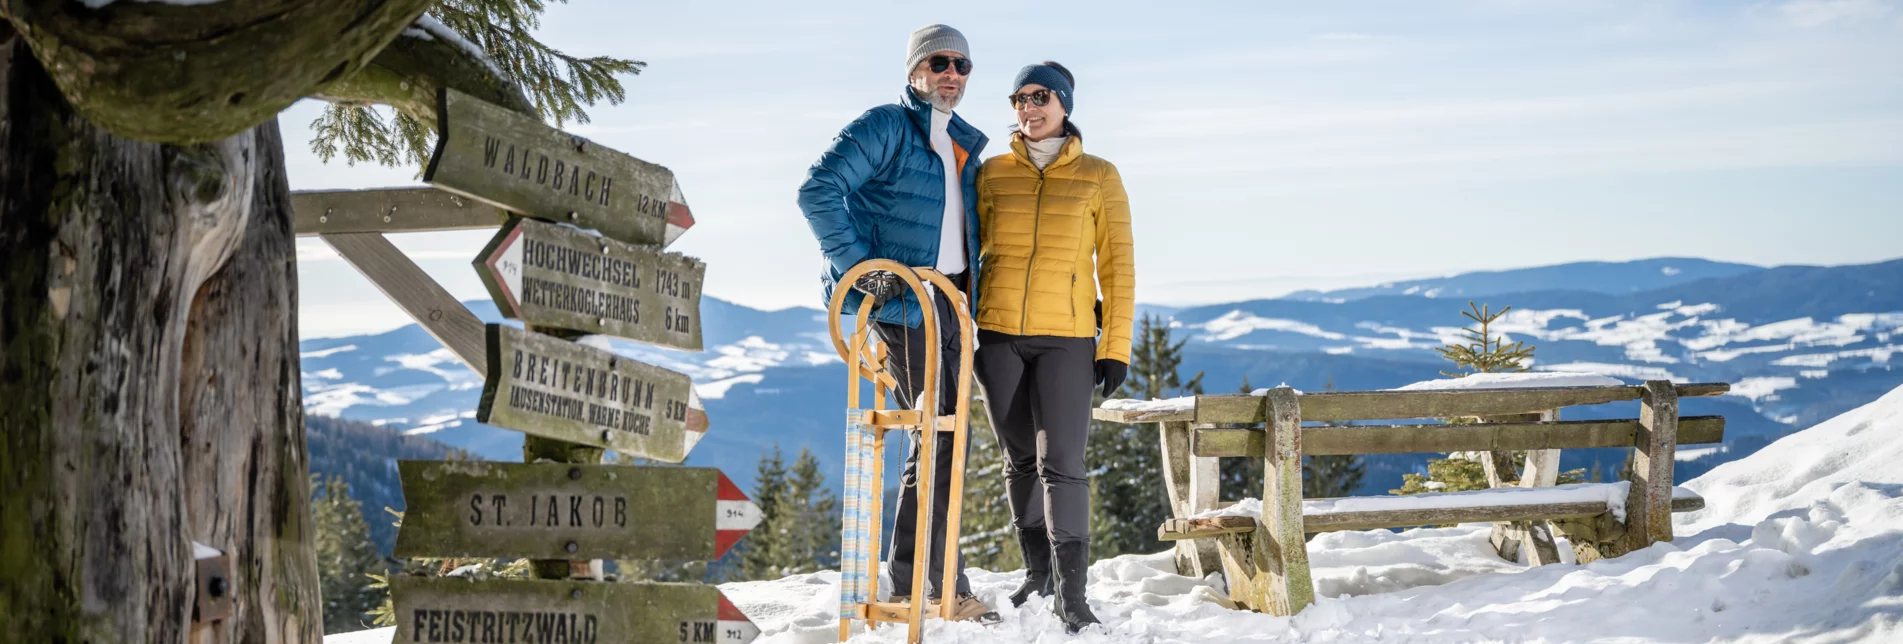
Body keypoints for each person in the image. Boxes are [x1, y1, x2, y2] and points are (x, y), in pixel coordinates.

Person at [795, 24, 1000, 624]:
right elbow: (818, 190)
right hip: (903, 302)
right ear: (915, 69)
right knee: (939, 435)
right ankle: (940, 586)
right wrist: (862, 270)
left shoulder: (962, 142)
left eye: (963, 65)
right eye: (940, 62)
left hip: (951, 304)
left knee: (941, 433)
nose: (952, 74)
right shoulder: (886, 125)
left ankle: (915, 576)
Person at [972, 61, 1134, 633]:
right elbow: (969, 252)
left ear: (1064, 103)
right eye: (1019, 99)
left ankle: (1074, 595)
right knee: (1018, 462)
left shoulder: (1099, 175)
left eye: (1040, 97)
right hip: (997, 338)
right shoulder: (991, 174)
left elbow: (1118, 268)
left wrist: (1115, 345)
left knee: (1061, 464)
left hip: (1066, 340)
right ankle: (1037, 574)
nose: (1028, 108)